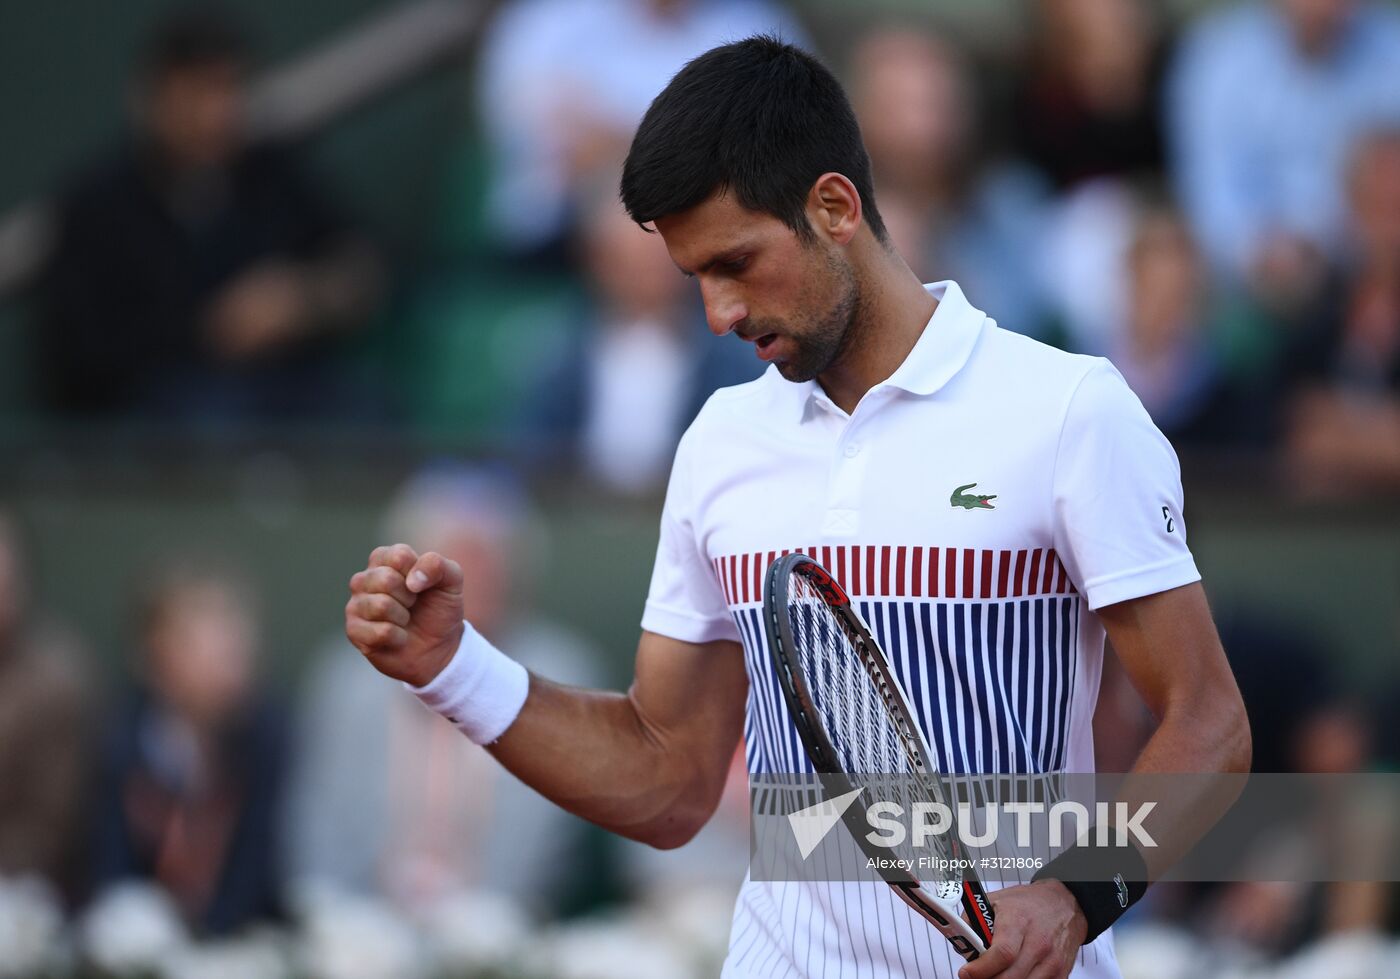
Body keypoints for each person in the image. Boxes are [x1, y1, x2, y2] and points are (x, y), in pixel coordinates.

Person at [346, 37, 1251, 979]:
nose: (718, 314)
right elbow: (667, 777)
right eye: (697, 276)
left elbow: (1209, 723)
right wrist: (452, 667)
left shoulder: (1070, 410)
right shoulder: (719, 441)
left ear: (834, 207)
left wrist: (1074, 893)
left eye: (736, 262)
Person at [36, 6, 382, 422]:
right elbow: (78, 360)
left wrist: (302, 298)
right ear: (154, 97)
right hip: (158, 417)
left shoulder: (273, 175)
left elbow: (364, 259)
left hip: (284, 393)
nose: (215, 114)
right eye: (197, 92)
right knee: (206, 415)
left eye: (229, 90)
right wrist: (213, 328)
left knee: (365, 410)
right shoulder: (96, 203)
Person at [92, 561, 289, 935]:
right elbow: (108, 865)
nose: (230, 655)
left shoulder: (271, 736)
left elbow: (264, 870)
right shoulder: (119, 738)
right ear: (154, 655)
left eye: (235, 637)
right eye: (205, 638)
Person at [1167, 0, 1400, 299]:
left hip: (1371, 263)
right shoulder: (1214, 58)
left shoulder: (1391, 50)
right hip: (1252, 277)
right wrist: (1265, 254)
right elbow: (1212, 201)